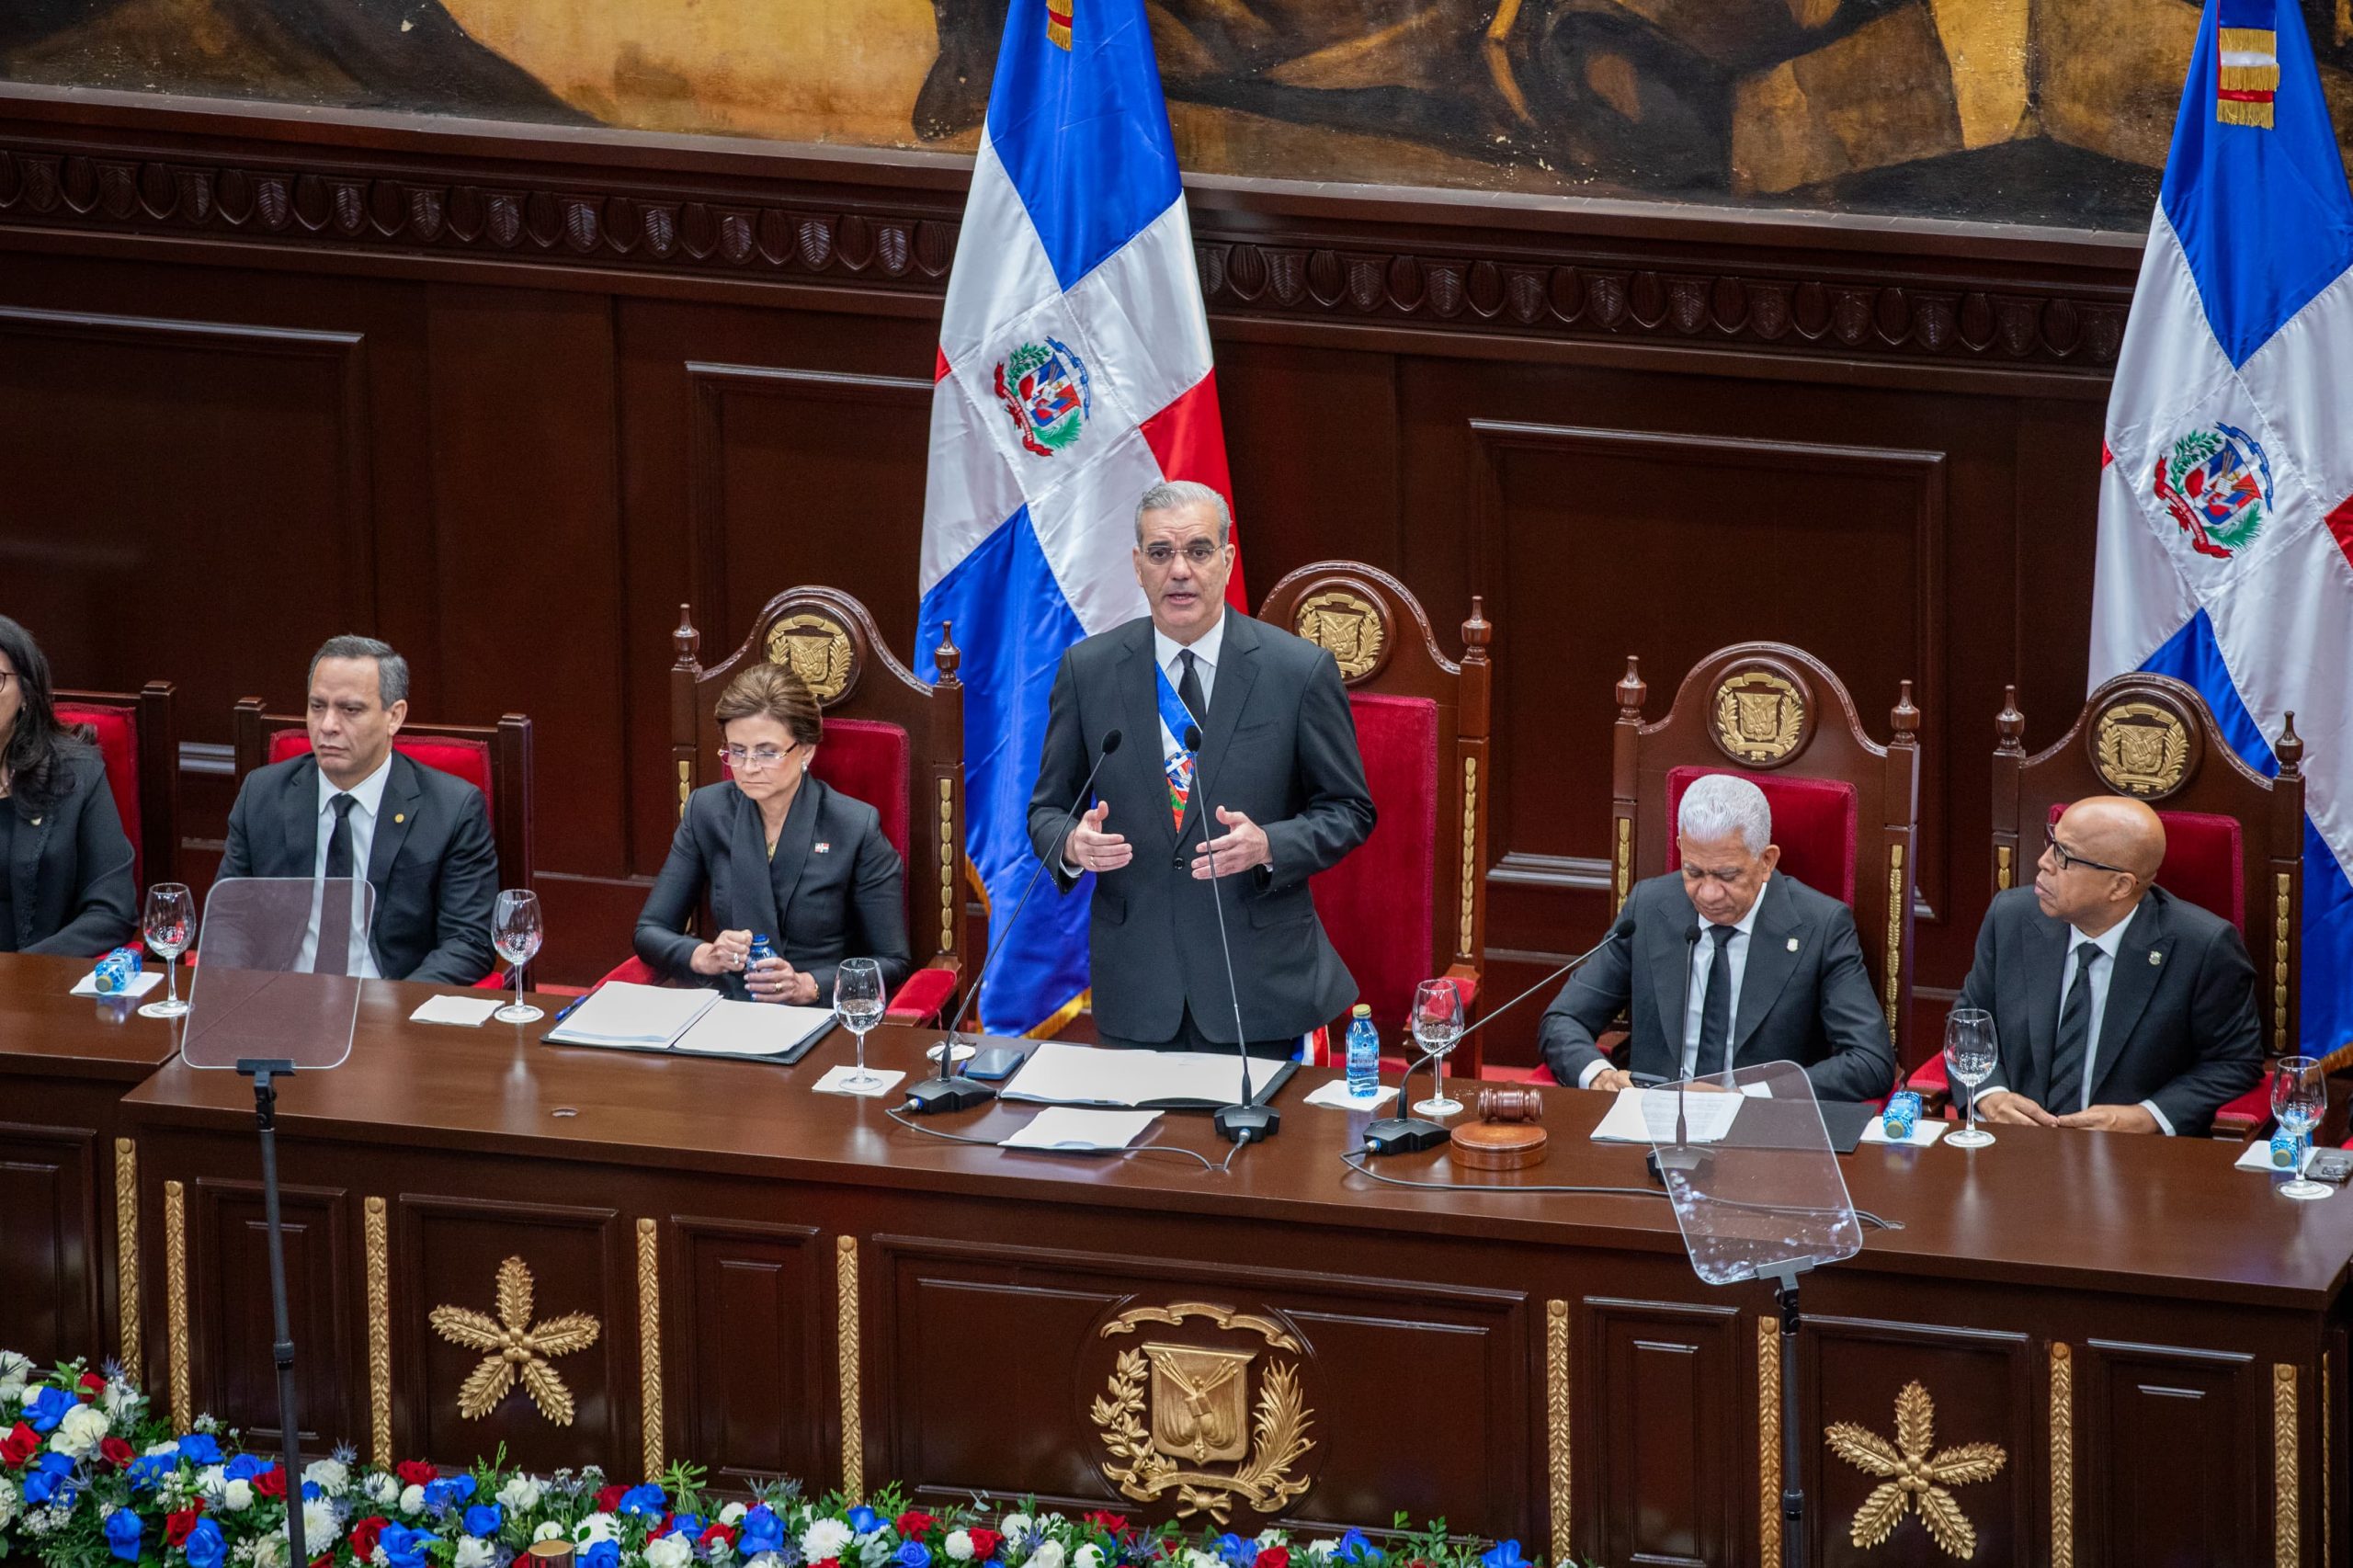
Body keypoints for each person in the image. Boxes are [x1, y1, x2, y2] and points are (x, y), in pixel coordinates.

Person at [1029, 480, 1376, 1053]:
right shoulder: (1088, 671)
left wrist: (1269, 845)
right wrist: (1070, 844)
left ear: (1227, 560)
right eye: (1160, 553)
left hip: (1259, 984)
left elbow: (1349, 810)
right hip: (1137, 985)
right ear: (1138, 566)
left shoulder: (1297, 671)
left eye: (1197, 550)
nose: (1179, 571)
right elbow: (1047, 809)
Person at [1540, 772, 1896, 1101]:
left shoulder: (1821, 926)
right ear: (1681, 846)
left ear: (1767, 861)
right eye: (1694, 872)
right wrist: (1599, 1075)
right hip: (1651, 1121)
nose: (1708, 894)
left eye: (1727, 876)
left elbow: (1870, 1061)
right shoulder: (1648, 908)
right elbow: (1563, 1020)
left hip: (1762, 1129)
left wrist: (1749, 1096)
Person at [1951, 795, 2262, 1136]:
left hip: (2134, 1157)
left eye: (2064, 855)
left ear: (2120, 886)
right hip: (2017, 1145)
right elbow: (1969, 1024)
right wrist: (1990, 1096)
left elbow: (2234, 1062)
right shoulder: (2011, 917)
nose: (2044, 862)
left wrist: (2148, 1116)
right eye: (2051, 841)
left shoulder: (2203, 948)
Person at [220, 635, 497, 983]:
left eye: (350, 710)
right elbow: (229, 918)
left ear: (394, 716)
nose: (328, 725)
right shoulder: (262, 794)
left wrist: (397, 1007)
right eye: (317, 706)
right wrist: (241, 989)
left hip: (392, 1002)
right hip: (281, 999)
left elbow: (468, 941)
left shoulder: (452, 809)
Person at [636, 663, 911, 1004]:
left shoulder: (854, 825)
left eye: (767, 752)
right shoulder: (706, 811)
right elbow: (649, 931)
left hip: (818, 1012)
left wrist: (809, 985)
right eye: (737, 751)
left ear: (806, 749)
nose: (749, 767)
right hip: (728, 1007)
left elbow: (892, 960)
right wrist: (703, 956)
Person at [0, 616, 137, 955]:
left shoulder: (74, 774)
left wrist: (18, 972)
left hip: (39, 978)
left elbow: (112, 911)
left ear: (26, 693)